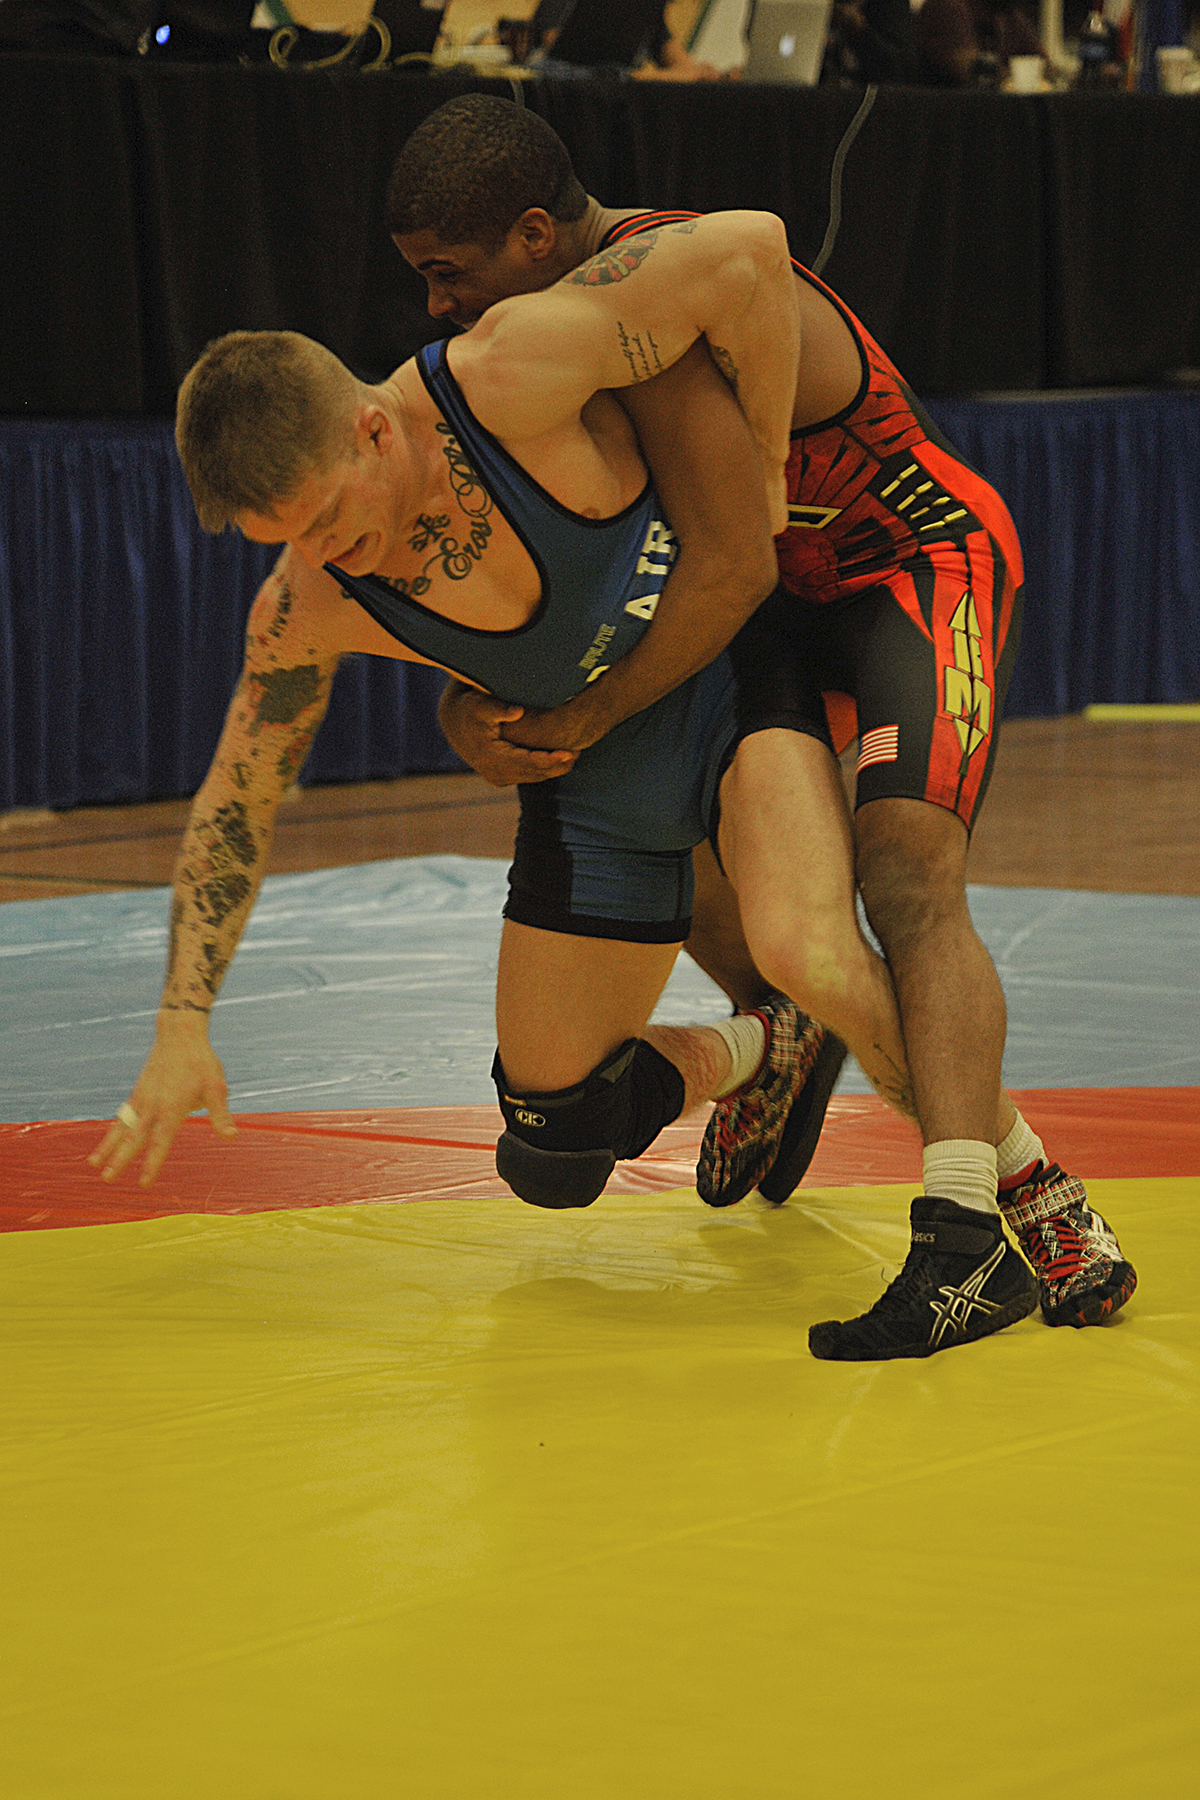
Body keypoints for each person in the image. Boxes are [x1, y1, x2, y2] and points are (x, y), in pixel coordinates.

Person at [385, 94, 1137, 1356]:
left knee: (903, 880)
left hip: (906, 563)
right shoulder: (560, 339)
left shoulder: (664, 271)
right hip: (766, 600)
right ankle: (777, 1047)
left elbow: (761, 241)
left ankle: (973, 1228)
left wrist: (603, 689)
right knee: (680, 812)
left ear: (531, 235)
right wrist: (472, 701)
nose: (436, 309)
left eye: (448, 275)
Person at [89, 212, 858, 1291]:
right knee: (554, 1141)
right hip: (594, 775)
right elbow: (236, 799)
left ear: (371, 429)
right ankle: (772, 1047)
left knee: (831, 940)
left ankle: (996, 1188)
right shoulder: (308, 600)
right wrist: (181, 1024)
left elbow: (746, 249)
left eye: (328, 519)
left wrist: (769, 462)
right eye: (291, 543)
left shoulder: (505, 375)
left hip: (725, 668)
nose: (324, 555)